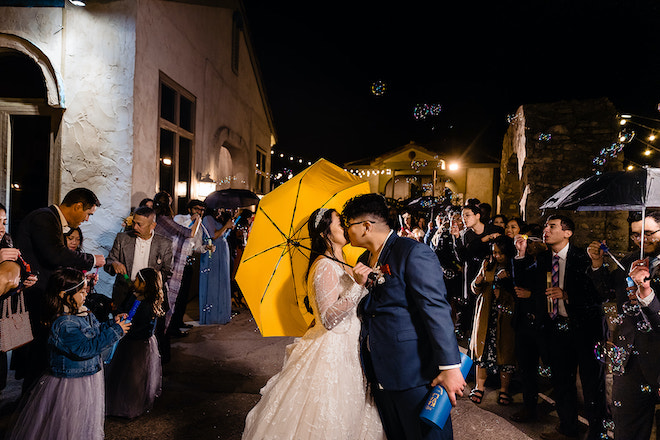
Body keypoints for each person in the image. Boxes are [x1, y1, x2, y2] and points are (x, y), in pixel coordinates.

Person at [242, 208, 385, 440]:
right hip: (332, 350)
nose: (346, 228)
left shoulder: (341, 261)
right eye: (340, 224)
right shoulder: (324, 266)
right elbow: (328, 319)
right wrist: (358, 286)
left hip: (349, 346)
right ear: (325, 233)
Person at [343, 193, 464, 440]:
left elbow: (435, 309)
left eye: (349, 225)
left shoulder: (412, 252)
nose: (347, 232)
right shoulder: (363, 260)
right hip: (379, 369)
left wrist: (450, 367)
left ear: (366, 226)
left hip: (414, 372)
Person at [6, 268, 130, 440]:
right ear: (65, 295)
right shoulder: (63, 323)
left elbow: (94, 332)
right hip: (70, 384)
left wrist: (111, 324)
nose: (86, 294)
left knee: (83, 418)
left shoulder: (83, 312)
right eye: (81, 291)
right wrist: (115, 331)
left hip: (87, 378)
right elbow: (84, 348)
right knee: (67, 421)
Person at [515, 215, 607, 440]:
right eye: (545, 226)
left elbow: (598, 295)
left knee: (591, 383)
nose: (546, 229)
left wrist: (568, 295)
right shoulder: (543, 258)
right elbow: (523, 284)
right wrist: (521, 254)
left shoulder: (582, 258)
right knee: (562, 382)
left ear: (568, 233)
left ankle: (596, 432)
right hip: (556, 328)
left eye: (552, 226)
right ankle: (568, 428)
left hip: (585, 329)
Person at [14, 187, 106, 392]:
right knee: (39, 353)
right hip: (35, 294)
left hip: (42, 293)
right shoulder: (44, 218)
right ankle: (33, 401)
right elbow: (54, 255)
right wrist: (91, 260)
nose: (87, 219)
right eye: (88, 213)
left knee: (42, 352)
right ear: (78, 206)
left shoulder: (50, 219)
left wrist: (80, 280)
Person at [589, 210, 660, 439]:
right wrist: (598, 264)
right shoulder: (629, 262)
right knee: (626, 429)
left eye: (648, 234)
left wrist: (647, 293)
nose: (641, 240)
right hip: (629, 358)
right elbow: (607, 293)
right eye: (636, 235)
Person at [106, 267, 165, 418]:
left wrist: (127, 331)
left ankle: (132, 406)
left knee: (135, 377)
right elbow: (123, 308)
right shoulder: (133, 296)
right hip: (126, 341)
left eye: (138, 280)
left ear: (145, 284)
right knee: (122, 373)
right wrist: (120, 314)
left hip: (139, 345)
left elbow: (146, 329)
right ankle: (118, 403)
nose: (134, 282)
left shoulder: (149, 305)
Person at [468, 235, 516, 406]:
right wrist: (478, 282)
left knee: (505, 352)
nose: (496, 256)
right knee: (482, 350)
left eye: (500, 253)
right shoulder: (487, 264)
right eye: (494, 252)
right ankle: (479, 387)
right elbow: (475, 288)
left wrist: (504, 290)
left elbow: (518, 293)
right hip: (486, 313)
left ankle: (504, 390)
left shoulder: (514, 266)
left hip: (505, 317)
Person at [104, 206, 173, 308]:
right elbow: (109, 262)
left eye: (139, 224)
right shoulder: (122, 238)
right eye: (134, 223)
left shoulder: (164, 244)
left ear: (152, 225)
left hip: (150, 296)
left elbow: (167, 271)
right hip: (124, 294)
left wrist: (148, 284)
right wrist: (114, 263)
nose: (135, 227)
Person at [153, 191, 200, 337]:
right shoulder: (164, 219)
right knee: (166, 298)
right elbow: (188, 233)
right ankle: (164, 331)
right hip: (164, 262)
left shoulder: (158, 218)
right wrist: (197, 221)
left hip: (157, 259)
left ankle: (165, 329)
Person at [171, 199, 207, 331]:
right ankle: (172, 326)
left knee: (184, 295)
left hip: (189, 260)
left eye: (202, 210)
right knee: (176, 295)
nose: (200, 212)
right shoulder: (180, 218)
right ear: (190, 209)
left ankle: (179, 321)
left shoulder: (200, 226)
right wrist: (192, 220)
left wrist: (206, 248)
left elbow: (196, 247)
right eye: (197, 209)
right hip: (177, 261)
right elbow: (178, 232)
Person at [199, 209, 233, 325]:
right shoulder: (207, 218)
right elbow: (213, 236)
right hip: (213, 252)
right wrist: (225, 226)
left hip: (222, 252)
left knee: (222, 281)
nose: (220, 210)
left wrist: (228, 226)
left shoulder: (217, 219)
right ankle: (213, 315)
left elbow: (222, 235)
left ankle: (222, 313)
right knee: (213, 282)